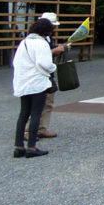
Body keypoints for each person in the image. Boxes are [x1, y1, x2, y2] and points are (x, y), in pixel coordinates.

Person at [12, 18, 57, 158]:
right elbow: (45, 64)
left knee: (23, 114)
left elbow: (15, 61)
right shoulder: (42, 43)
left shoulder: (24, 42)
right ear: (47, 31)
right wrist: (53, 67)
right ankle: (31, 147)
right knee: (36, 113)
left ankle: (18, 146)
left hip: (23, 82)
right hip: (37, 83)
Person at [25, 11, 66, 141]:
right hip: (39, 74)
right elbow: (41, 57)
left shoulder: (47, 38)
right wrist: (54, 51)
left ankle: (42, 128)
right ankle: (28, 131)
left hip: (47, 74)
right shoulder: (34, 40)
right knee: (35, 105)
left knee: (48, 102)